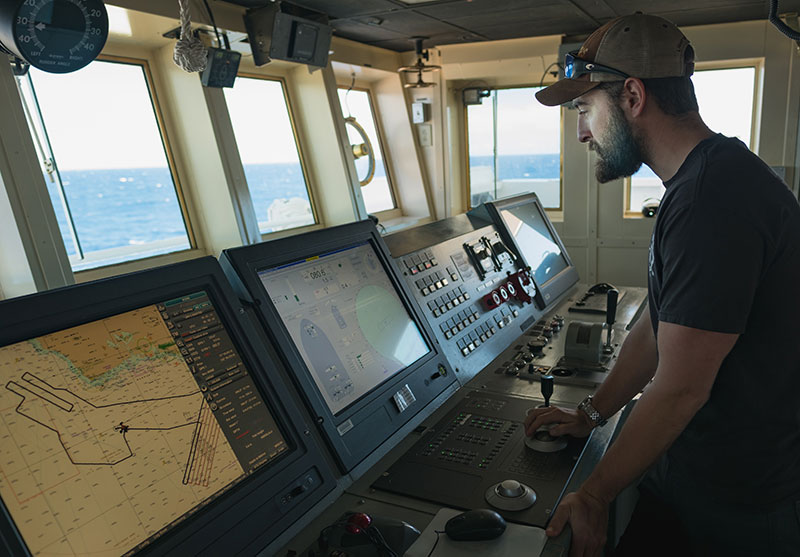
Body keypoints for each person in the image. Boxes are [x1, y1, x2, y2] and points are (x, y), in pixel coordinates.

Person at [525, 12, 800, 557]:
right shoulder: (702, 180)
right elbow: (655, 328)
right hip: (691, 467)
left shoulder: (712, 199)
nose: (581, 132)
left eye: (584, 108)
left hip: (738, 500)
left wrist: (596, 495)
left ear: (631, 96)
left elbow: (680, 386)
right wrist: (590, 414)